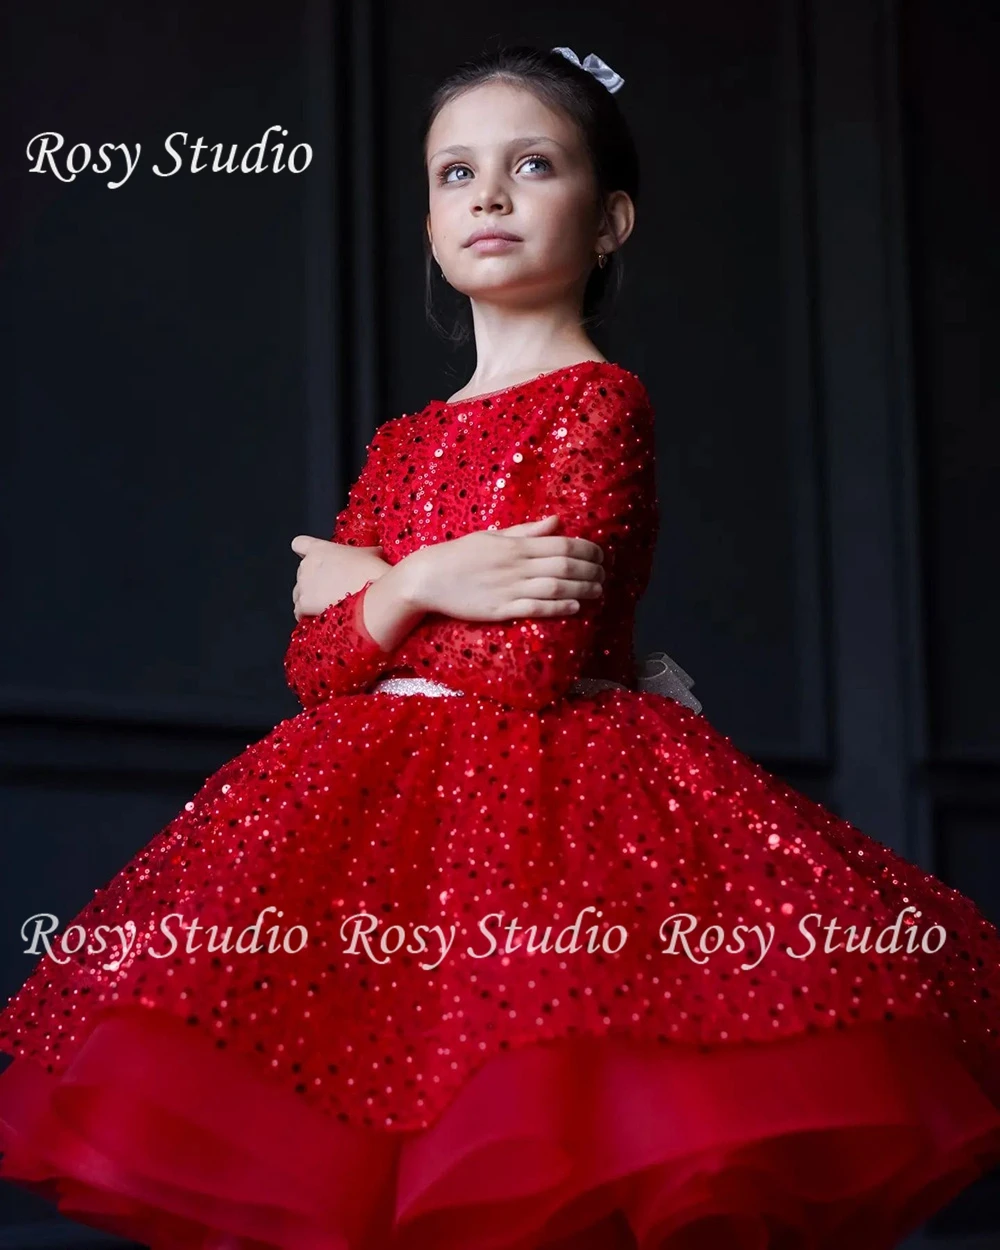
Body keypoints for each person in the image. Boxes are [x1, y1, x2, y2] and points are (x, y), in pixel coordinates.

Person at [1, 42, 998, 1250]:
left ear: (610, 217)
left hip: (557, 825)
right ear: (427, 221)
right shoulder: (405, 437)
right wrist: (428, 576)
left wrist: (371, 590)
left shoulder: (598, 403)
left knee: (535, 1138)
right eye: (455, 172)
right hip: (374, 831)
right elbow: (311, 673)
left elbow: (531, 663)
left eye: (531, 166)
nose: (487, 195)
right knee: (379, 1125)